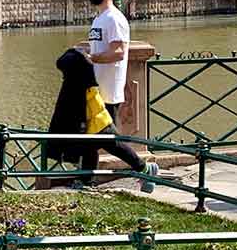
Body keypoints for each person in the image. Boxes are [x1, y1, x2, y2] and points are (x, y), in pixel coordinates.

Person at [48, 48, 158, 193]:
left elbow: (87, 107)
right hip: (93, 122)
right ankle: (86, 180)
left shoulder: (82, 84)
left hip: (98, 122)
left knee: (114, 145)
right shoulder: (80, 80)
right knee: (90, 147)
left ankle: (145, 168)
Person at [87, 0, 159, 185]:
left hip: (108, 91)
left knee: (106, 139)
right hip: (96, 89)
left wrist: (91, 58)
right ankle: (85, 179)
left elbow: (118, 52)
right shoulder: (99, 18)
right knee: (89, 138)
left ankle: (144, 167)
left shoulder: (115, 19)